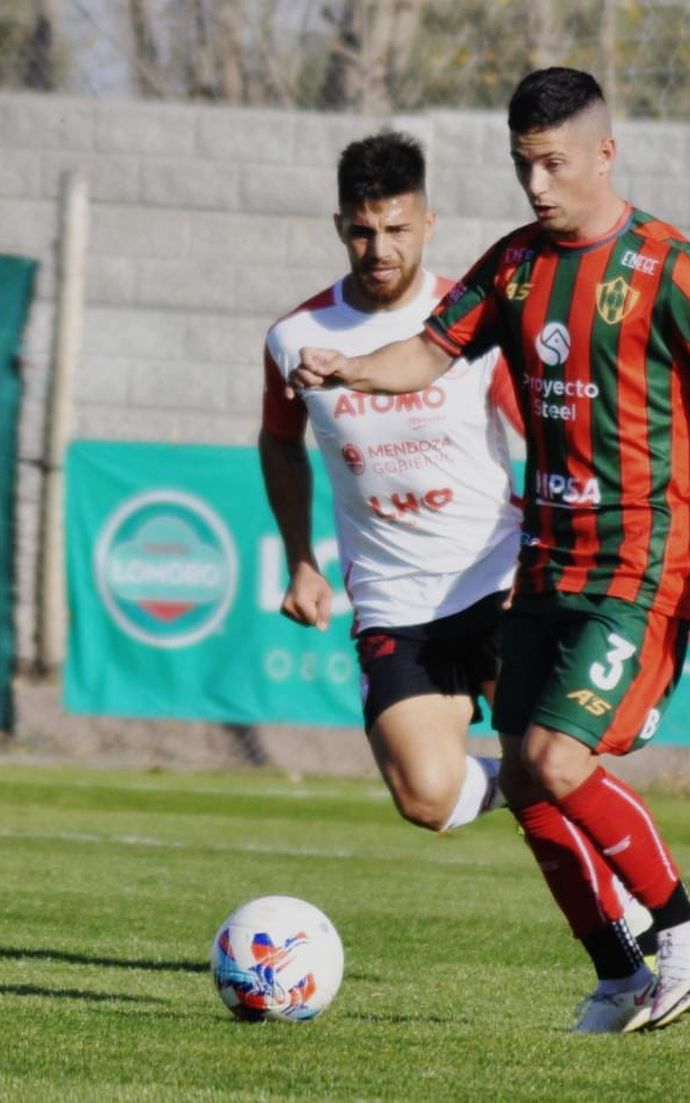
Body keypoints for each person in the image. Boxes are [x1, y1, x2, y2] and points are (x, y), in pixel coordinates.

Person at [291, 68, 690, 1034]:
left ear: (605, 153)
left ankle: (686, 929)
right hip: (550, 563)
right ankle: (618, 970)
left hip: (642, 568)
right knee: (519, 772)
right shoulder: (515, 265)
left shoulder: (666, 267)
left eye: (555, 163)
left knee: (559, 756)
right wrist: (353, 365)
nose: (538, 185)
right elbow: (433, 350)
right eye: (524, 164)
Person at [258, 131, 523, 835]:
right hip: (394, 597)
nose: (380, 249)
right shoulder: (295, 336)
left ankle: (655, 916)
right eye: (363, 231)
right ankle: (531, 785)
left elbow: (549, 439)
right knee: (428, 798)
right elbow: (281, 442)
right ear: (340, 226)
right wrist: (300, 562)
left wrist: (549, 554)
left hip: (497, 575)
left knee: (555, 756)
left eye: (398, 229)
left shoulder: (473, 321)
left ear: (428, 224)